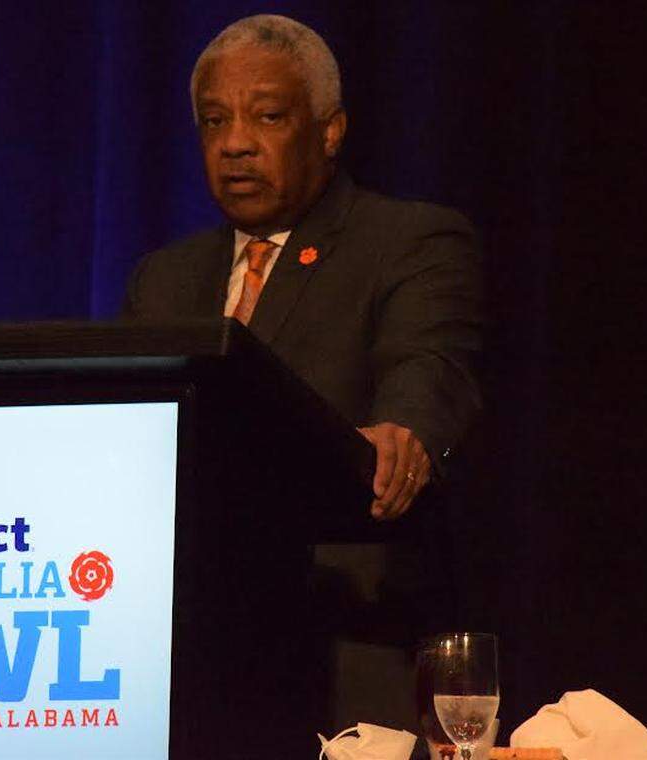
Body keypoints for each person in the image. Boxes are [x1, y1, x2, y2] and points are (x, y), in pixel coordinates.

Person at [123, 14, 483, 730]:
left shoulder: (407, 240)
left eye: (268, 116)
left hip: (346, 646)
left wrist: (406, 432)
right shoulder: (164, 279)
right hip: (192, 655)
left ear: (329, 131)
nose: (235, 143)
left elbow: (429, 363)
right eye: (214, 120)